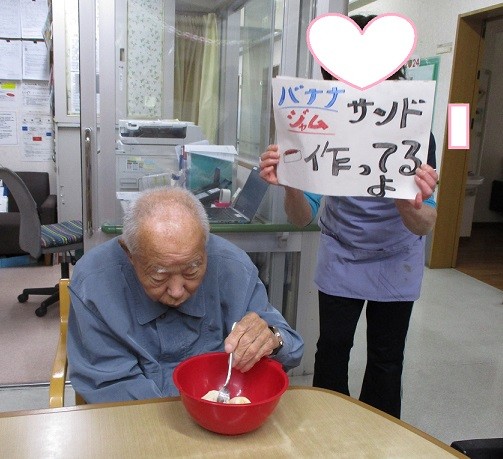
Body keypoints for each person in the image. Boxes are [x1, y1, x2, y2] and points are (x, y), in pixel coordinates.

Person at [259, 14, 438, 419]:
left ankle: (379, 435)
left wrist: (400, 193)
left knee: (387, 358)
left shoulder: (414, 131)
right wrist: (289, 182)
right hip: (342, 253)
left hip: (397, 256)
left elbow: (425, 224)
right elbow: (301, 219)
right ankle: (329, 430)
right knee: (333, 349)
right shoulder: (321, 126)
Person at [67, 186, 304, 403]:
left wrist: (272, 339)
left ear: (205, 245)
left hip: (224, 416)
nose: (177, 291)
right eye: (159, 276)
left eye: (191, 270)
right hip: (138, 419)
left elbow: (292, 348)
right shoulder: (94, 283)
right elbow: (111, 385)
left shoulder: (233, 267)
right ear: (130, 254)